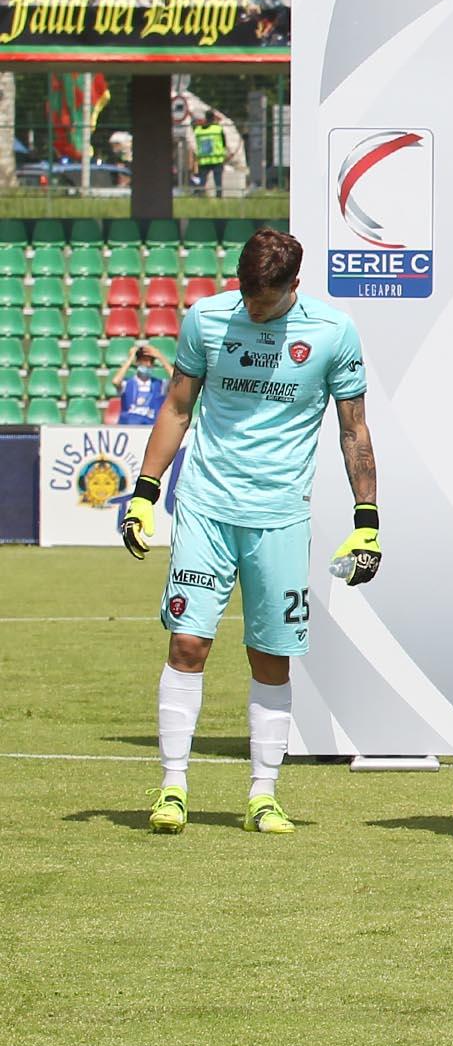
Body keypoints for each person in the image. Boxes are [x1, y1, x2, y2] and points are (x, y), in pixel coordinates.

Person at [116, 228, 380, 837]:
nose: (252, 310)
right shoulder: (206, 319)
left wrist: (367, 520)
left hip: (280, 516)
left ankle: (263, 794)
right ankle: (173, 787)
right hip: (205, 507)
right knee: (188, 644)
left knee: (271, 656)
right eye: (246, 296)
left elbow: (355, 430)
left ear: (294, 285)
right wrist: (145, 493)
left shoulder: (333, 332)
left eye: (264, 301)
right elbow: (177, 408)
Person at [110, 342, 170, 425]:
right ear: (137, 362)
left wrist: (160, 357)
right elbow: (115, 381)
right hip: (129, 427)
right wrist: (130, 359)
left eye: (151, 361)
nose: (148, 364)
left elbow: (178, 380)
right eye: (144, 360)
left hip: (150, 428)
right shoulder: (126, 384)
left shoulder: (160, 384)